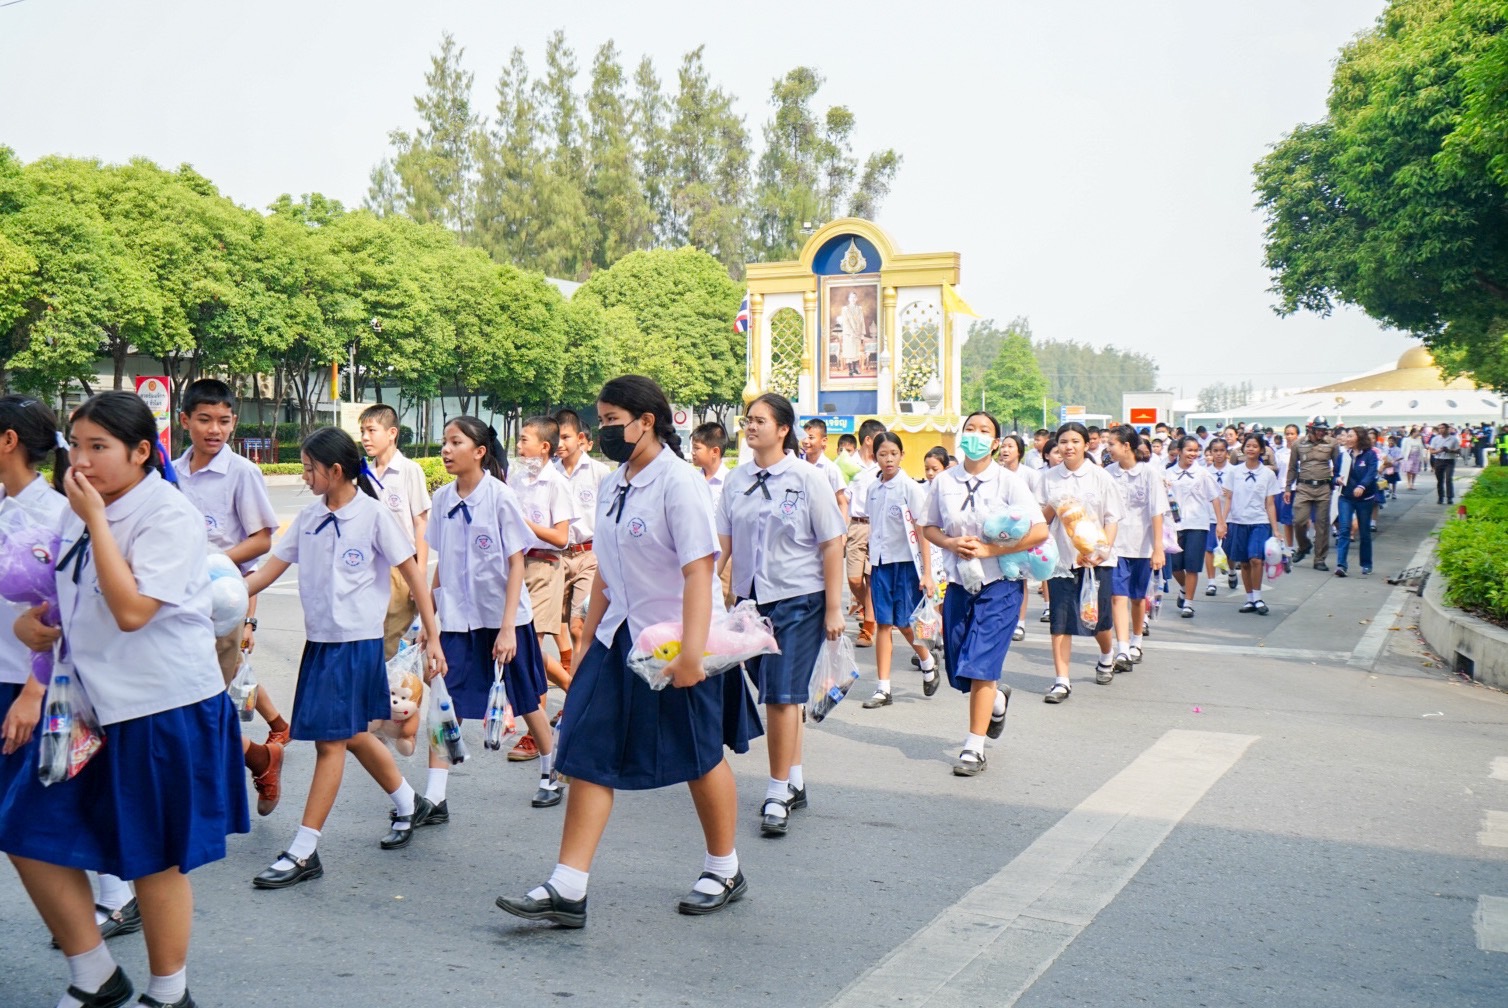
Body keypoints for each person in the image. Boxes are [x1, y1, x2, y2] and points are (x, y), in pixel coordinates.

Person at [3, 391, 248, 1008]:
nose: (81, 461)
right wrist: (34, 625)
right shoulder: (80, 508)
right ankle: (95, 975)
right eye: (75, 446)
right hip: (82, 706)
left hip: (158, 708)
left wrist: (93, 521)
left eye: (99, 447)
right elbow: (65, 598)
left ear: (141, 452)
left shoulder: (167, 513)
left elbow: (133, 610)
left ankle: (169, 993)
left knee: (154, 858)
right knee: (25, 830)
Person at [496, 376, 762, 927]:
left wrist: (691, 655)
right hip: (618, 637)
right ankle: (568, 886)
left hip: (676, 641)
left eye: (613, 420)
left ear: (647, 421)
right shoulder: (615, 482)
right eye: (601, 420)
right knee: (586, 752)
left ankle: (724, 868)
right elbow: (605, 571)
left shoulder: (679, 482)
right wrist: (586, 642)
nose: (604, 431)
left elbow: (699, 571)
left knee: (699, 754)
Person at [244, 427, 447, 890]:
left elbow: (414, 575)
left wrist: (432, 635)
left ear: (335, 471)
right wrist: (213, 596)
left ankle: (304, 850)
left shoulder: (372, 516)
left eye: (309, 468)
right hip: (320, 644)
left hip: (355, 646)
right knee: (352, 734)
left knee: (330, 743)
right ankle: (408, 802)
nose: (304, 476)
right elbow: (266, 574)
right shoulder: (309, 518)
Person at [718, 393, 844, 836]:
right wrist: (706, 590)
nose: (751, 427)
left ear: (783, 429)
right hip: (751, 602)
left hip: (799, 599)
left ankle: (777, 794)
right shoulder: (736, 480)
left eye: (760, 420)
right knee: (778, 692)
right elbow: (722, 543)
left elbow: (832, 543)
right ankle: (795, 779)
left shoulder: (807, 478)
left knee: (780, 695)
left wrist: (834, 608)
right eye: (747, 420)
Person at [426, 416, 559, 814]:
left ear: (479, 451)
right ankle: (435, 796)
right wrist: (428, 620)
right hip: (457, 619)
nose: (446, 450)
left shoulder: (500, 497)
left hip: (503, 618)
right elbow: (442, 563)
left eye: (456, 442)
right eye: (445, 442)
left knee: (526, 699)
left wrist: (507, 629)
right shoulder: (442, 500)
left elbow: (516, 563)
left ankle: (550, 772)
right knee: (444, 701)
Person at [172, 378, 287, 817]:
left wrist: (210, 564)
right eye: (204, 420)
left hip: (220, 605)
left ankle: (212, 789)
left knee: (198, 702)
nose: (214, 429)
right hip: (174, 603)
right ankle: (258, 758)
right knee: (185, 703)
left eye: (223, 421)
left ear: (234, 422)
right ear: (185, 420)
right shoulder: (171, 472)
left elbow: (262, 539)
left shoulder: (242, 472)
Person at [919, 412, 1047, 773]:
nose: (975, 435)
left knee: (981, 663)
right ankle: (996, 701)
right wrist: (950, 542)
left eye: (984, 431)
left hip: (1001, 584)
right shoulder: (944, 481)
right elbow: (929, 526)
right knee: (959, 664)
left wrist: (991, 550)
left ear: (995, 443)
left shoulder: (1009, 482)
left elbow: (1039, 531)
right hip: (959, 583)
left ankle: (974, 748)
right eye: (970, 429)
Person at [1040, 423, 1123, 696]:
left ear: (1086, 445)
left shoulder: (1100, 477)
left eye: (1075, 441)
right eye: (1063, 441)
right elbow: (1041, 520)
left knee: (1097, 619)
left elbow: (1112, 517)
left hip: (1097, 560)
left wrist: (1102, 551)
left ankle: (1107, 654)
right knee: (1060, 620)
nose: (1069, 446)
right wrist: (1054, 505)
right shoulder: (1049, 478)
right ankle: (1062, 680)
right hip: (1062, 560)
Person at [858, 432, 938, 709]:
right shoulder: (873, 489)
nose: (888, 459)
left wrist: (927, 573)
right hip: (880, 564)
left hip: (906, 565)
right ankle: (883, 688)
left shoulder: (910, 488)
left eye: (893, 453)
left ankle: (927, 660)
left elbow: (922, 530)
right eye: (883, 454)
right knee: (883, 623)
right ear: (875, 457)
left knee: (904, 623)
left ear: (902, 455)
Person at [509, 415, 573, 761]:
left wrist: (524, 523)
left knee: (528, 647)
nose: (519, 446)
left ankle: (535, 736)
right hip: (515, 567)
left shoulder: (556, 483)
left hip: (544, 567)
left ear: (544, 447)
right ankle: (571, 687)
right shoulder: (516, 477)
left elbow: (561, 537)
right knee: (523, 648)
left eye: (524, 440)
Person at [359, 405, 432, 660]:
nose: (365, 437)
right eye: (362, 431)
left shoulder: (409, 470)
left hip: (401, 568)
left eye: (371, 430)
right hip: (369, 568)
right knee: (371, 639)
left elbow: (421, 523)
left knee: (389, 643)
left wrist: (419, 573)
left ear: (392, 433)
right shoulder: (363, 473)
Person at [554, 409, 612, 683]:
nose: (559, 443)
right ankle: (569, 672)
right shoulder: (549, 474)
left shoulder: (600, 473)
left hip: (589, 555)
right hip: (556, 556)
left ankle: (579, 687)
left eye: (565, 437)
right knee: (554, 623)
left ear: (580, 438)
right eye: (556, 437)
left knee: (579, 626)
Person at [1105, 425, 1166, 668]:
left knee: (1138, 598)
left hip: (1142, 545)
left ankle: (1136, 640)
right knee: (1117, 596)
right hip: (1115, 546)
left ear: (1126, 446)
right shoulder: (1108, 473)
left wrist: (1158, 548)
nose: (1108, 449)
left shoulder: (1149, 474)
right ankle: (1122, 649)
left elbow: (1157, 512)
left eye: (1112, 444)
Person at [1163, 436, 1226, 619]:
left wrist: (1220, 522)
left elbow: (1214, 497)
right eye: (1189, 450)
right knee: (1175, 566)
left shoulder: (1202, 473)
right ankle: (1184, 588)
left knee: (1192, 565)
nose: (1193, 454)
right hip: (1174, 525)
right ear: (1180, 451)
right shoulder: (1168, 473)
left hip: (1198, 524)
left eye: (1196, 450)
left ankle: (1188, 604)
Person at [844, 419, 886, 646]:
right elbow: (841, 500)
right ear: (868, 440)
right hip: (856, 525)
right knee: (854, 579)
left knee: (871, 577)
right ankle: (870, 607)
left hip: (879, 526)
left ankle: (868, 627)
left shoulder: (884, 463)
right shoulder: (848, 465)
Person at [1227, 432, 1280, 612]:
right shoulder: (1234, 472)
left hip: (1260, 522)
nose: (1251, 449)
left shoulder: (1268, 474)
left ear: (1261, 450)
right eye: (1248, 446)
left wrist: (1276, 529)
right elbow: (1228, 498)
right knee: (1244, 562)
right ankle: (1249, 599)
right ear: (1243, 449)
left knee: (1256, 559)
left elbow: (1270, 503)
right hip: (1238, 521)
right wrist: (1222, 523)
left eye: (1255, 446)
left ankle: (1258, 598)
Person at [999, 434, 1043, 643]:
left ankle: (1020, 622)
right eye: (1003, 446)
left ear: (1019, 451)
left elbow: (1039, 503)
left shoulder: (1030, 475)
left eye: (1010, 446)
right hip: (999, 534)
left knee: (1020, 577)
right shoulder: (995, 473)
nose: (1005, 450)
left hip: (1023, 533)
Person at [1285, 415, 1338, 570]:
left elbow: (1338, 465)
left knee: (1322, 525)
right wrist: (1287, 487)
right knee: (1299, 521)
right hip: (1304, 487)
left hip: (1323, 488)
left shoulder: (1332, 443)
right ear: (1311, 429)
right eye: (1318, 429)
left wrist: (1336, 482)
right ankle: (1304, 546)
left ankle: (1319, 559)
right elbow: (1292, 467)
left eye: (1324, 430)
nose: (1321, 432)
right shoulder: (1298, 444)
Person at [691, 421, 733, 607]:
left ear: (715, 451)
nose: (692, 452)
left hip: (725, 556)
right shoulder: (691, 480)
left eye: (697, 448)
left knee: (722, 606)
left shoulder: (731, 482)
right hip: (696, 554)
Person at [1334, 427, 1382, 577]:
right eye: (1346, 436)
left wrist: (1362, 486)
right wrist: (1337, 479)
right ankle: (1341, 565)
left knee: (1364, 531)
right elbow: (1335, 473)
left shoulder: (1370, 455)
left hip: (1365, 499)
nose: (1347, 439)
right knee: (1344, 529)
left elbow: (1371, 473)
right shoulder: (1343, 456)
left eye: (1350, 436)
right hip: (1346, 497)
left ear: (1359, 437)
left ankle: (1366, 564)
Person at [1200, 438, 1237, 596]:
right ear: (1210, 453)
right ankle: (1211, 582)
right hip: (1210, 516)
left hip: (1230, 516)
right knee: (1209, 549)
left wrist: (1231, 494)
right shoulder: (1205, 472)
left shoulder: (1234, 471)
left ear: (1227, 453)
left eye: (1222, 450)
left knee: (1228, 550)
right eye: (1215, 451)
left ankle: (1232, 571)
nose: (1219, 454)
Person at [800, 418, 848, 521]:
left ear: (824, 441)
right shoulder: (797, 464)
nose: (805, 441)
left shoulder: (831, 469)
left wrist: (842, 529)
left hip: (824, 523)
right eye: (804, 437)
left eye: (811, 437)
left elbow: (842, 503)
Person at [1427, 423, 1459, 504]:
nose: (1441, 430)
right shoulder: (1435, 439)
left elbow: (1458, 450)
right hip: (1439, 460)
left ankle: (1449, 497)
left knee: (1448, 479)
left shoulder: (1453, 439)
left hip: (1449, 461)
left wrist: (1449, 450)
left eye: (1443, 428)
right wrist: (1439, 450)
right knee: (1440, 480)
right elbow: (1431, 451)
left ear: (1447, 429)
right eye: (1440, 428)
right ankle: (1440, 497)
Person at [1399, 426, 1425, 490]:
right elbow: (1403, 448)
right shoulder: (1406, 439)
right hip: (1409, 456)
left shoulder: (1419, 440)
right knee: (1409, 470)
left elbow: (1421, 448)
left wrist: (1423, 457)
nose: (1418, 433)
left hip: (1416, 456)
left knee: (1414, 471)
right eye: (1417, 432)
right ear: (1413, 432)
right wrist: (1402, 456)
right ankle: (1408, 483)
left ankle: (1412, 483)